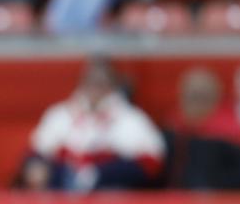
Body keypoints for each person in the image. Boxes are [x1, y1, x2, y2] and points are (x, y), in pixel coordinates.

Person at [19, 57, 164, 192]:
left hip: (114, 199)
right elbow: (36, 155)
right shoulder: (60, 115)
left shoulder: (132, 120)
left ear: (114, 85)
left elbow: (150, 164)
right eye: (90, 82)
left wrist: (102, 174)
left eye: (101, 83)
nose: (95, 89)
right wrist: (38, 169)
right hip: (61, 197)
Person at [165, 66, 240, 190]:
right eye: (191, 96)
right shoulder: (173, 129)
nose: (196, 104)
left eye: (202, 97)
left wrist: (216, 188)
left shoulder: (232, 134)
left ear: (216, 98)